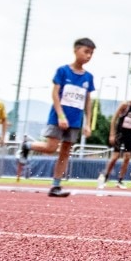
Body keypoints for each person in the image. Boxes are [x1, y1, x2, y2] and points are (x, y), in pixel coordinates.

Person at [42, 38, 97, 197]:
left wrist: (87, 123)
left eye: (91, 53)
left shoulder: (88, 77)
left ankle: (56, 185)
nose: (88, 56)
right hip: (58, 117)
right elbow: (54, 93)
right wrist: (60, 115)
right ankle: (26, 147)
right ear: (76, 50)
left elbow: (87, 100)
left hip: (75, 119)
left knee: (65, 151)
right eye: (86, 52)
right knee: (51, 147)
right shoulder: (63, 71)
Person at [101, 91, 131, 188]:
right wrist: (112, 134)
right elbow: (114, 118)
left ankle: (120, 180)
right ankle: (105, 177)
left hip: (130, 134)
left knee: (127, 157)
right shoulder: (125, 105)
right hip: (120, 133)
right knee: (115, 157)